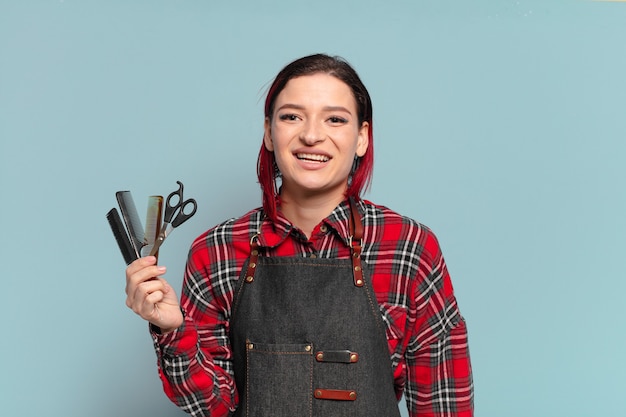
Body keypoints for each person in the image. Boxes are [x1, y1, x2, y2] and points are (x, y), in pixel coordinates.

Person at [125, 53, 473, 417]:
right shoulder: (217, 250)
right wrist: (172, 329)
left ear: (362, 138)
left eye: (335, 119)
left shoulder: (409, 248)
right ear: (269, 132)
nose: (311, 135)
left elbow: (444, 404)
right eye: (291, 116)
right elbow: (212, 405)